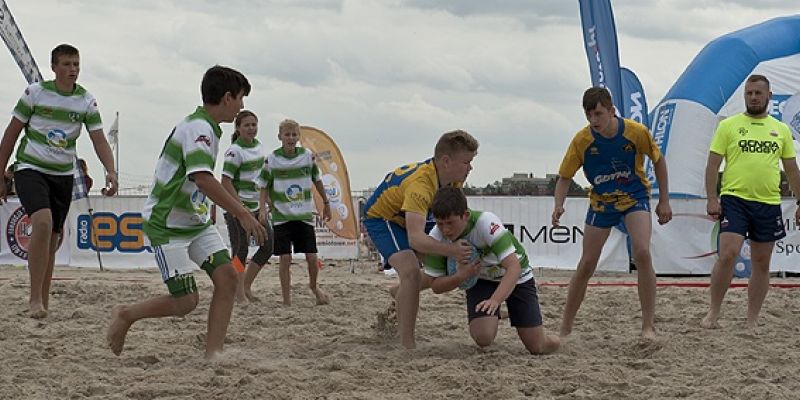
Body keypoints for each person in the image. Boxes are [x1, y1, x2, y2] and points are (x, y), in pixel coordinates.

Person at [106, 65, 267, 359]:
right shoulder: (198, 129)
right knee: (185, 302)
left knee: (229, 278)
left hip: (195, 222)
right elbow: (204, 179)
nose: (243, 106)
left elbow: (203, 182)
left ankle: (213, 355)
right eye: (241, 98)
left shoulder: (208, 127)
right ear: (228, 97)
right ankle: (126, 314)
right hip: (166, 224)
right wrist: (243, 214)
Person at [0, 44, 117, 319]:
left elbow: (99, 140)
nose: (72, 70)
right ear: (54, 67)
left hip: (63, 175)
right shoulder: (35, 93)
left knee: (52, 240)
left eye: (76, 64)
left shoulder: (86, 100)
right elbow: (11, 134)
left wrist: (110, 170)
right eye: (66, 64)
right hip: (30, 168)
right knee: (42, 223)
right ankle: (34, 299)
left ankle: (43, 298)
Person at [552, 87, 672, 340]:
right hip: (601, 202)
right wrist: (558, 205)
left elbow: (659, 160)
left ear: (611, 111)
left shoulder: (635, 132)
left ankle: (648, 326)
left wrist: (664, 200)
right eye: (589, 116)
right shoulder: (582, 141)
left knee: (641, 252)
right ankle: (565, 328)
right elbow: (564, 177)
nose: (594, 121)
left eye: (598, 114)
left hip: (634, 197)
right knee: (586, 264)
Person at [700, 74, 800, 330]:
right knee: (728, 254)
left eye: (758, 93)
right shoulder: (729, 126)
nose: (753, 97)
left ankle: (752, 318)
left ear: (769, 96)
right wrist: (712, 198)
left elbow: (791, 170)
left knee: (761, 262)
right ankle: (713, 312)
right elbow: (712, 165)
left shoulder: (781, 130)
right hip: (735, 198)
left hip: (767, 202)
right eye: (749, 93)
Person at [363, 129, 478, 349]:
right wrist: (453, 250)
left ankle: (401, 291)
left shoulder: (452, 180)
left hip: (412, 214)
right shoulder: (420, 186)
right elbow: (415, 239)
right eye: (466, 162)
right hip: (383, 217)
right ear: (446, 161)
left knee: (441, 267)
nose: (470, 168)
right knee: (411, 271)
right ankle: (407, 345)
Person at [423, 187, 560, 354]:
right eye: (440, 224)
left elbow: (514, 268)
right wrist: (460, 276)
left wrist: (495, 300)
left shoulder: (485, 223)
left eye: (450, 223)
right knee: (483, 338)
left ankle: (560, 340)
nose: (445, 230)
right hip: (481, 279)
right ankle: (495, 314)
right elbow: (435, 286)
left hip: (517, 277)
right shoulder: (436, 238)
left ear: (465, 215)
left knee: (538, 347)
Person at [263, 119, 330, 306]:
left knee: (312, 257)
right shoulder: (272, 159)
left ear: (298, 137)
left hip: (303, 215)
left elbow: (317, 179)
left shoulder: (307, 156)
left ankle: (314, 286)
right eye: (287, 134)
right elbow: (263, 185)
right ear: (280, 137)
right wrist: (265, 205)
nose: (291, 138)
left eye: (294, 135)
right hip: (282, 217)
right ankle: (286, 301)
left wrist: (326, 203)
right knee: (285, 258)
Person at [221, 110, 274, 303]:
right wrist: (239, 208)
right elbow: (225, 182)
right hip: (238, 209)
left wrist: (267, 202)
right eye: (247, 125)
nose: (251, 128)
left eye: (254, 125)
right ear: (238, 128)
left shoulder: (259, 147)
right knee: (240, 250)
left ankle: (246, 285)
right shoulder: (234, 151)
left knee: (268, 246)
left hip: (257, 207)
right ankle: (238, 293)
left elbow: (261, 180)